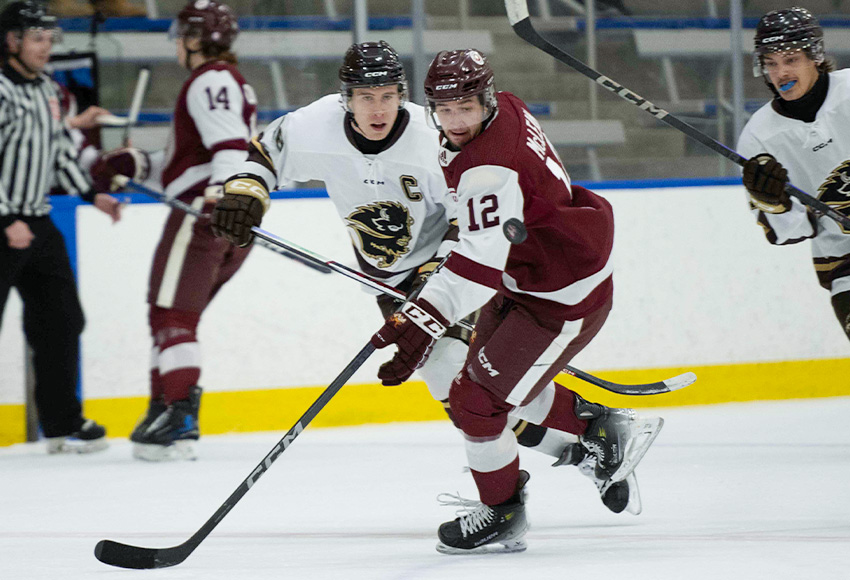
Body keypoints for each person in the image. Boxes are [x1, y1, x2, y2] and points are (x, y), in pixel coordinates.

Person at [209, 41, 642, 517]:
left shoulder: (433, 138)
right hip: (384, 280)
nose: (379, 108)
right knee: (460, 391)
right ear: (344, 99)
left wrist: (432, 289)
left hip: (446, 269)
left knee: (469, 388)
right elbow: (264, 153)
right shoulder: (314, 125)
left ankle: (553, 465)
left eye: (389, 95)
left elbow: (472, 231)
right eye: (366, 97)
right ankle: (587, 439)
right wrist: (245, 191)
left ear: (403, 94)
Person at [367, 49, 664, 554]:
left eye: (465, 107)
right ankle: (597, 425)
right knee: (490, 388)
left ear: (483, 98)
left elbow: (479, 263)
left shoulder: (488, 168)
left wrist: (421, 316)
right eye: (443, 108)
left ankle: (502, 511)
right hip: (530, 275)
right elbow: (487, 236)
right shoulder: (506, 104)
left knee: (475, 401)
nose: (455, 121)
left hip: (560, 297)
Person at [90, 0, 256, 461]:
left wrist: (220, 197)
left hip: (204, 216)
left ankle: (179, 415)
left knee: (171, 317)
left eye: (183, 35)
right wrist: (135, 163)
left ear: (195, 38)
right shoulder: (228, 82)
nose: (178, 44)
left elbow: (229, 148)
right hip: (226, 217)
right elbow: (190, 164)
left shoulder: (209, 81)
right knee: (174, 318)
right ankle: (162, 408)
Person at [0, 0, 122, 453]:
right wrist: (6, 216)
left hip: (37, 221)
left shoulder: (48, 90)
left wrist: (93, 195)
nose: (46, 47)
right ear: (11, 41)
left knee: (63, 320)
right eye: (37, 38)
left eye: (50, 39)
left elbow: (59, 155)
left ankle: (61, 424)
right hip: (4, 222)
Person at [738, 7, 850, 343]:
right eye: (771, 63)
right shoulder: (757, 139)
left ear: (815, 56)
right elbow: (789, 232)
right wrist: (774, 204)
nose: (780, 72)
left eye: (790, 59)